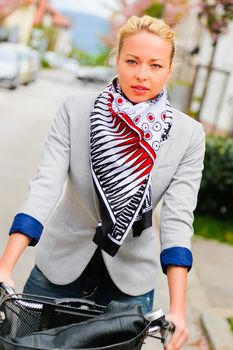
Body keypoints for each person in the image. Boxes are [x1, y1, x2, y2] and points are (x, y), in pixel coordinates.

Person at [0, 15, 205, 350]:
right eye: (132, 61)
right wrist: (5, 266)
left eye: (155, 65)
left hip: (128, 286)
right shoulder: (76, 111)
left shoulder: (188, 135)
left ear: (169, 70)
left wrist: (179, 308)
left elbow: (178, 219)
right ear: (117, 60)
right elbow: (44, 187)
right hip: (57, 272)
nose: (142, 74)